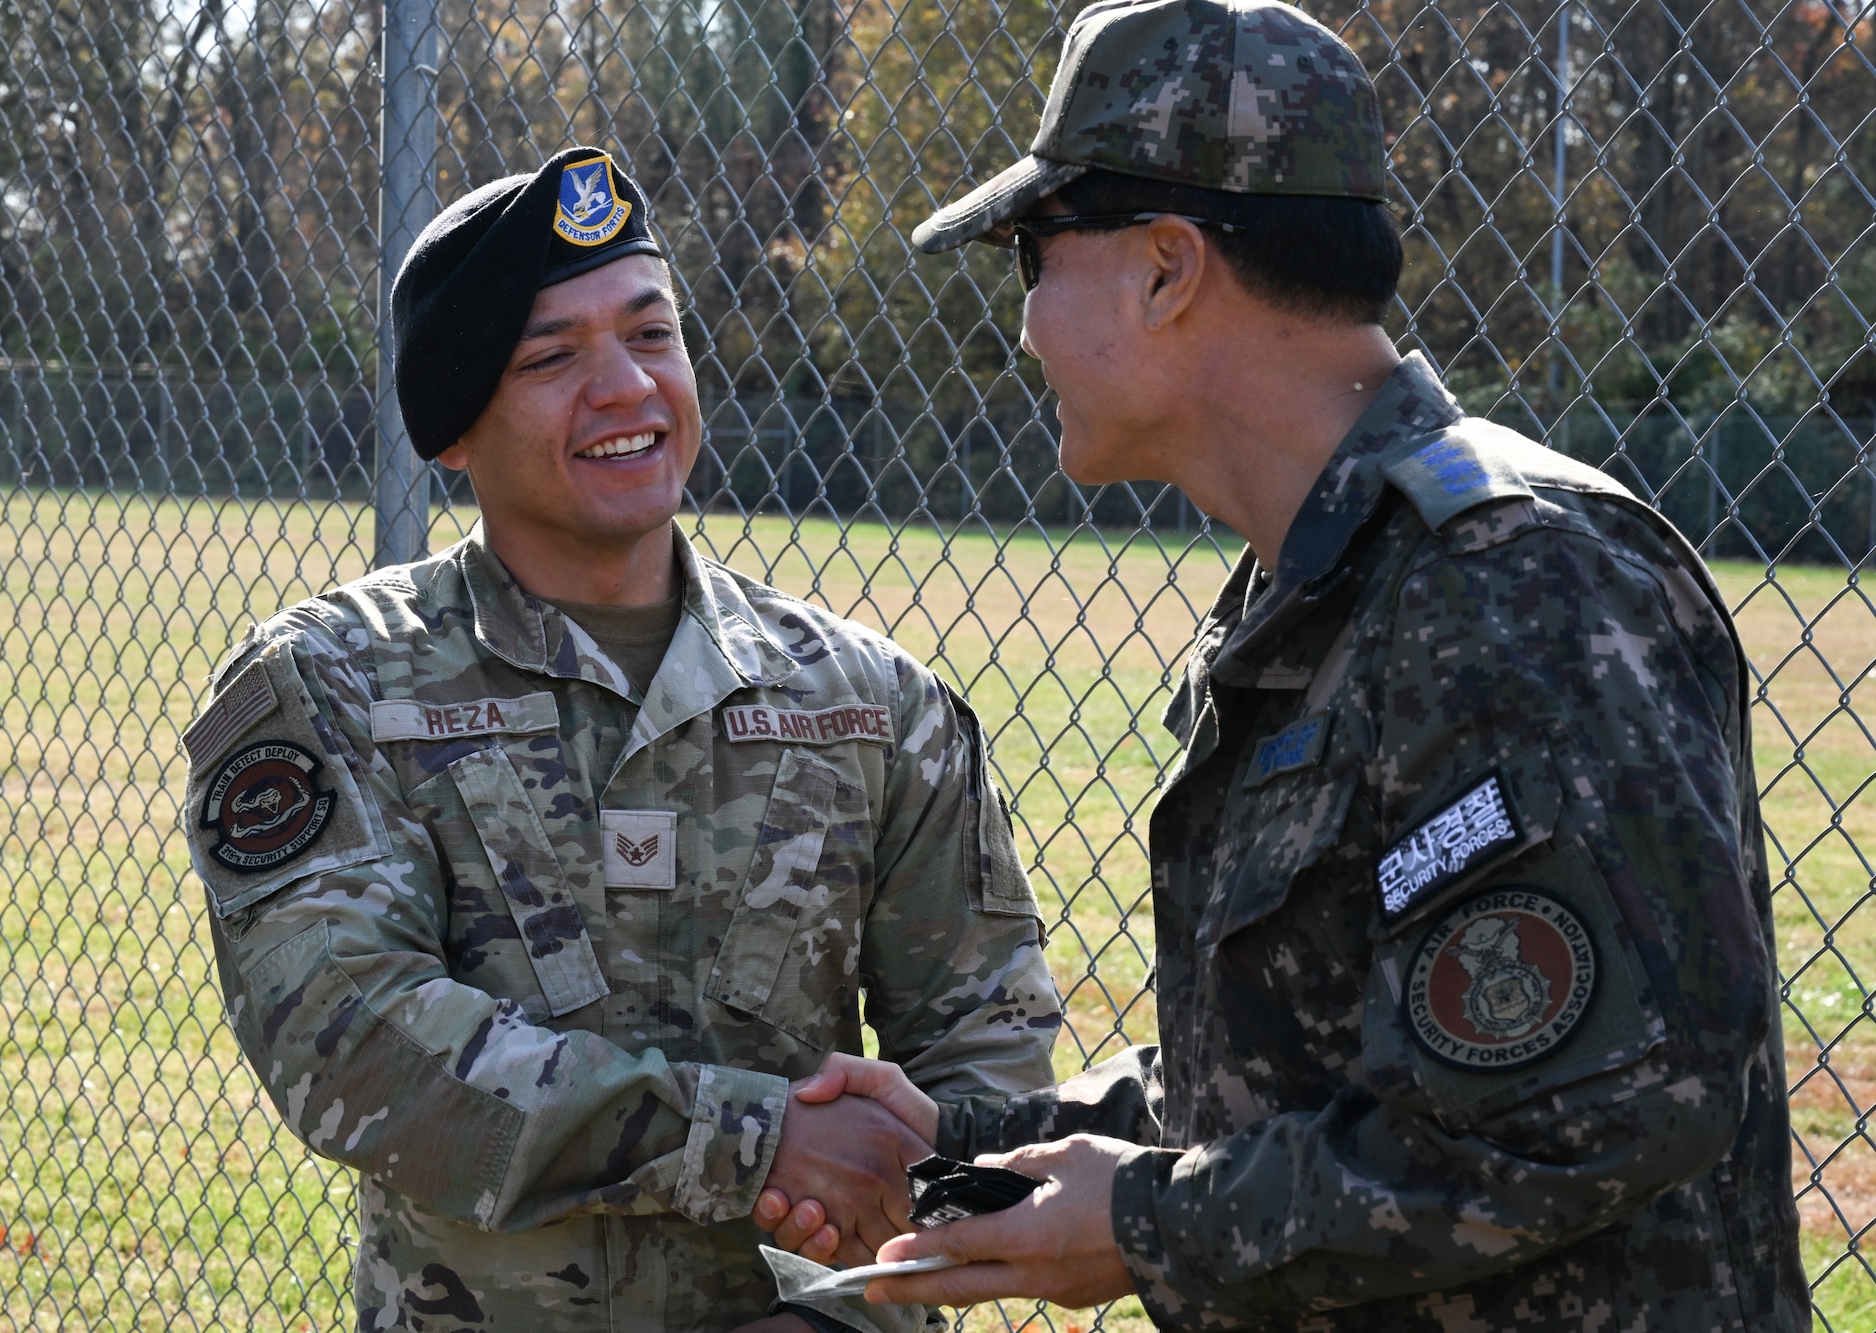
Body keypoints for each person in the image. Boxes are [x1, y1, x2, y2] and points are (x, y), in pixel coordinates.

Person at [754, 1, 1809, 1328]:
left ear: (1165, 267)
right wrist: (951, 1157)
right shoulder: (1319, 589)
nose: (1023, 325)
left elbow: (1589, 1115)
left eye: (1035, 254)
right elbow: (1310, 1077)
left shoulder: (1511, 583)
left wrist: (1142, 1226)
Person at [178, 145, 1061, 1333]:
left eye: (650, 336)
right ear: (450, 428)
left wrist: (855, 1308)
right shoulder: (335, 683)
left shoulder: (870, 703)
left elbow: (989, 1067)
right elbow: (353, 1041)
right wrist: (751, 1142)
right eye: (552, 357)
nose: (626, 390)